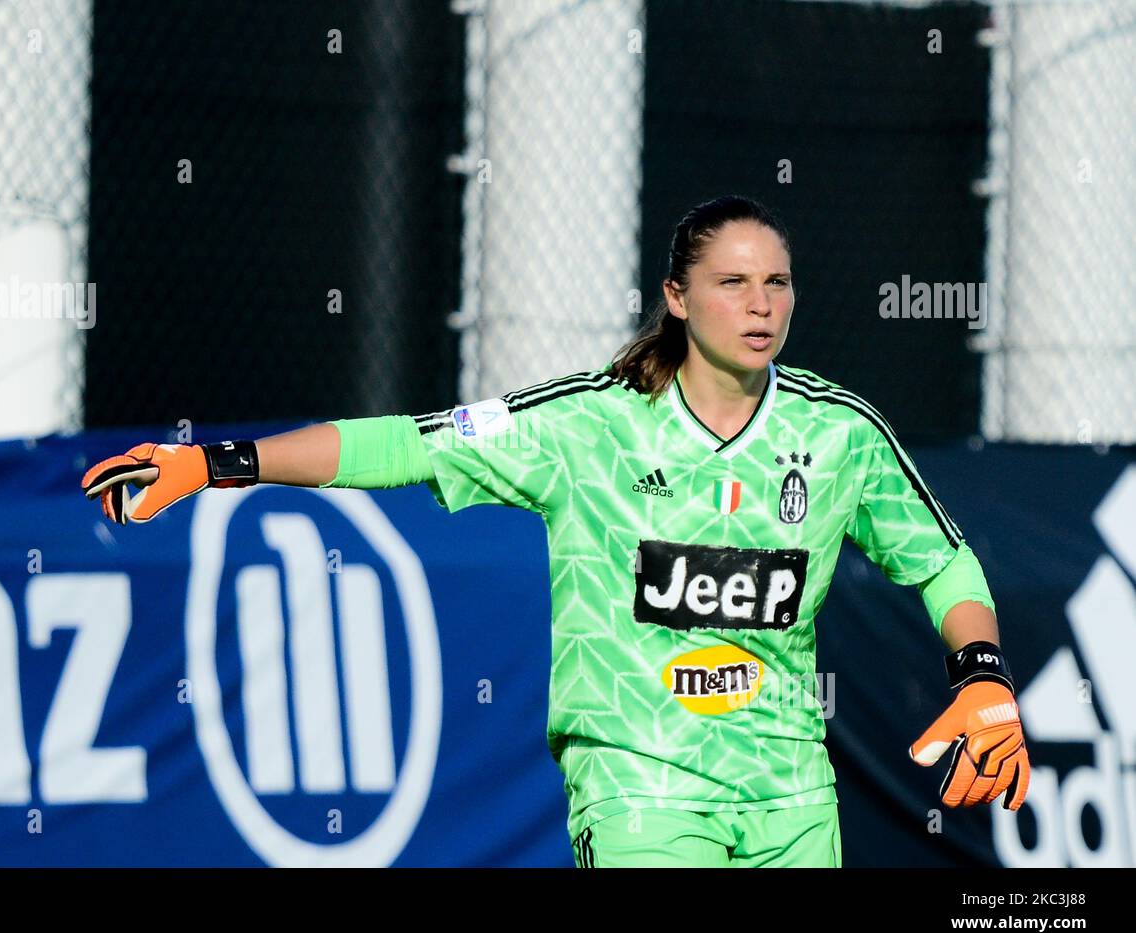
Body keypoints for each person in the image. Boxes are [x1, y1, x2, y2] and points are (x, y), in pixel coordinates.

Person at [81, 195, 1029, 868]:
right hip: (638, 785)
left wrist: (982, 681)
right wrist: (212, 463)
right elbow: (402, 446)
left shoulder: (839, 433)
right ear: (676, 297)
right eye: (733, 283)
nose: (762, 306)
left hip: (789, 794)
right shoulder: (586, 425)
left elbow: (942, 561)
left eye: (777, 283)